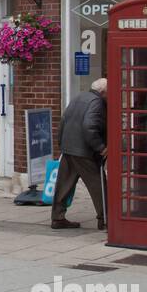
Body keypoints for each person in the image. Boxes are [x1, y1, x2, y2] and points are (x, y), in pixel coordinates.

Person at [52, 77, 108, 230]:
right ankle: (105, 218)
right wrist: (101, 147)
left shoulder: (79, 97)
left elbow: (63, 121)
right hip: (84, 151)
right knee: (98, 184)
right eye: (109, 93)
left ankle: (57, 217)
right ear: (103, 92)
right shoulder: (97, 102)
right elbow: (89, 126)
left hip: (68, 147)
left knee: (64, 185)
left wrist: (61, 144)